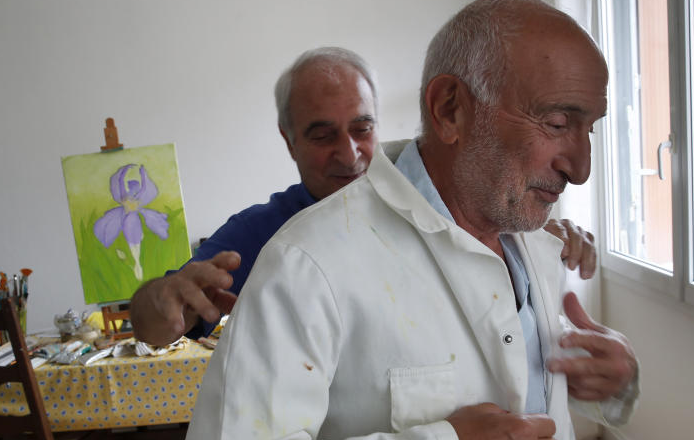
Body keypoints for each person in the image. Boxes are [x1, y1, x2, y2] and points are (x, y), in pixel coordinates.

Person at [173, 0, 639, 440]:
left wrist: (613, 380)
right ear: (450, 109)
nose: (580, 167)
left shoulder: (532, 237)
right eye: (558, 123)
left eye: (589, 129)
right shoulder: (310, 261)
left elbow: (520, 381)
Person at [130, 47, 598, 347]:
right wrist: (161, 301)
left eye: (362, 128)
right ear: (289, 140)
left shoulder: (440, 200)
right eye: (321, 135)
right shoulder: (263, 232)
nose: (349, 153)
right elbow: (156, 320)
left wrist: (540, 238)